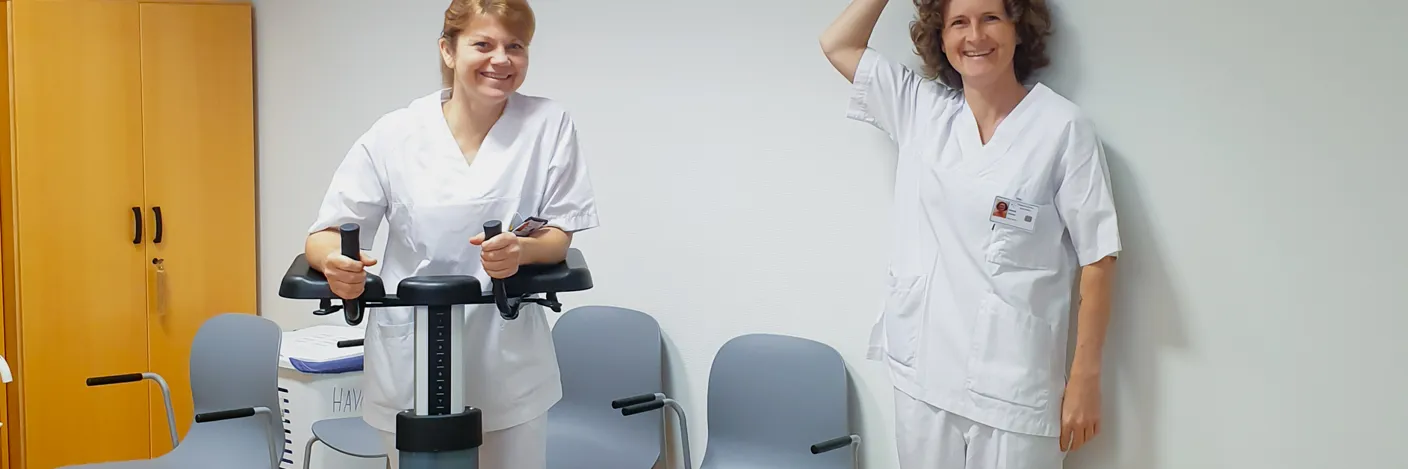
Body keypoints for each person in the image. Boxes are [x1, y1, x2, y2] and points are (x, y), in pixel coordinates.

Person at [820, 0, 1121, 467]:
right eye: (958, 22)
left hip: (1014, 390)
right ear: (941, 39)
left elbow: (1098, 258)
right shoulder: (920, 110)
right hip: (923, 375)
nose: (975, 36)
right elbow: (837, 44)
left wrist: (1085, 378)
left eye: (991, 18)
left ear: (1018, 28)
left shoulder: (1063, 129)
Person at [303, 1, 598, 468]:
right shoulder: (396, 133)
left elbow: (559, 235)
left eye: (515, 46)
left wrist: (521, 251)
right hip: (411, 352)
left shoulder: (548, 124)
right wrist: (334, 264)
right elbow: (326, 234)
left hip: (506, 352)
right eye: (483, 44)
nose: (501, 59)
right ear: (448, 50)